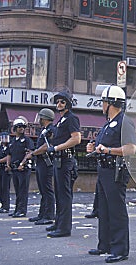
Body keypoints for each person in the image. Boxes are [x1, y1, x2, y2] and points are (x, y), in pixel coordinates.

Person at [87, 85, 136, 263]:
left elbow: (131, 148)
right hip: (104, 170)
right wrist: (93, 148)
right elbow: (102, 147)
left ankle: (120, 249)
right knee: (104, 210)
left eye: (104, 101)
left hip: (115, 171)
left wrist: (107, 150)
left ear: (111, 103)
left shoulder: (125, 122)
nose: (102, 104)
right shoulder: (108, 123)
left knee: (116, 210)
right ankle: (105, 245)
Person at [46, 89, 81, 238]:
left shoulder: (72, 118)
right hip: (58, 160)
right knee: (59, 193)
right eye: (57, 101)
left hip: (65, 160)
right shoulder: (61, 120)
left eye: (62, 101)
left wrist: (56, 147)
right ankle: (59, 222)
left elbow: (76, 138)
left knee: (64, 195)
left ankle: (64, 227)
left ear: (68, 104)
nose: (59, 104)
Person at [24, 108, 56, 225]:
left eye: (41, 117)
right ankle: (42, 214)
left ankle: (49, 215)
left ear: (45, 118)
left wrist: (33, 153)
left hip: (46, 163)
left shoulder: (51, 130)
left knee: (47, 189)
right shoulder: (45, 130)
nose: (39, 120)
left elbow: (46, 146)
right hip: (41, 162)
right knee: (43, 190)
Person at [5, 116, 34, 218]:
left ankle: (22, 210)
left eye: (22, 127)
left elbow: (30, 152)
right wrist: (8, 164)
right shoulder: (12, 141)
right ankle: (17, 209)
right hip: (14, 168)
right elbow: (9, 154)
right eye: (19, 127)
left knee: (23, 190)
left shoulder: (27, 140)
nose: (21, 129)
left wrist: (22, 163)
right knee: (17, 190)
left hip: (23, 169)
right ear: (14, 128)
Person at [0, 131, 11, 213]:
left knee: (5, 188)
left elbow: (9, 156)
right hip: (0, 169)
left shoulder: (10, 147)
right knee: (0, 188)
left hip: (6, 169)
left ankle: (6, 206)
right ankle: (2, 205)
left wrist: (0, 160)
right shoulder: (0, 147)